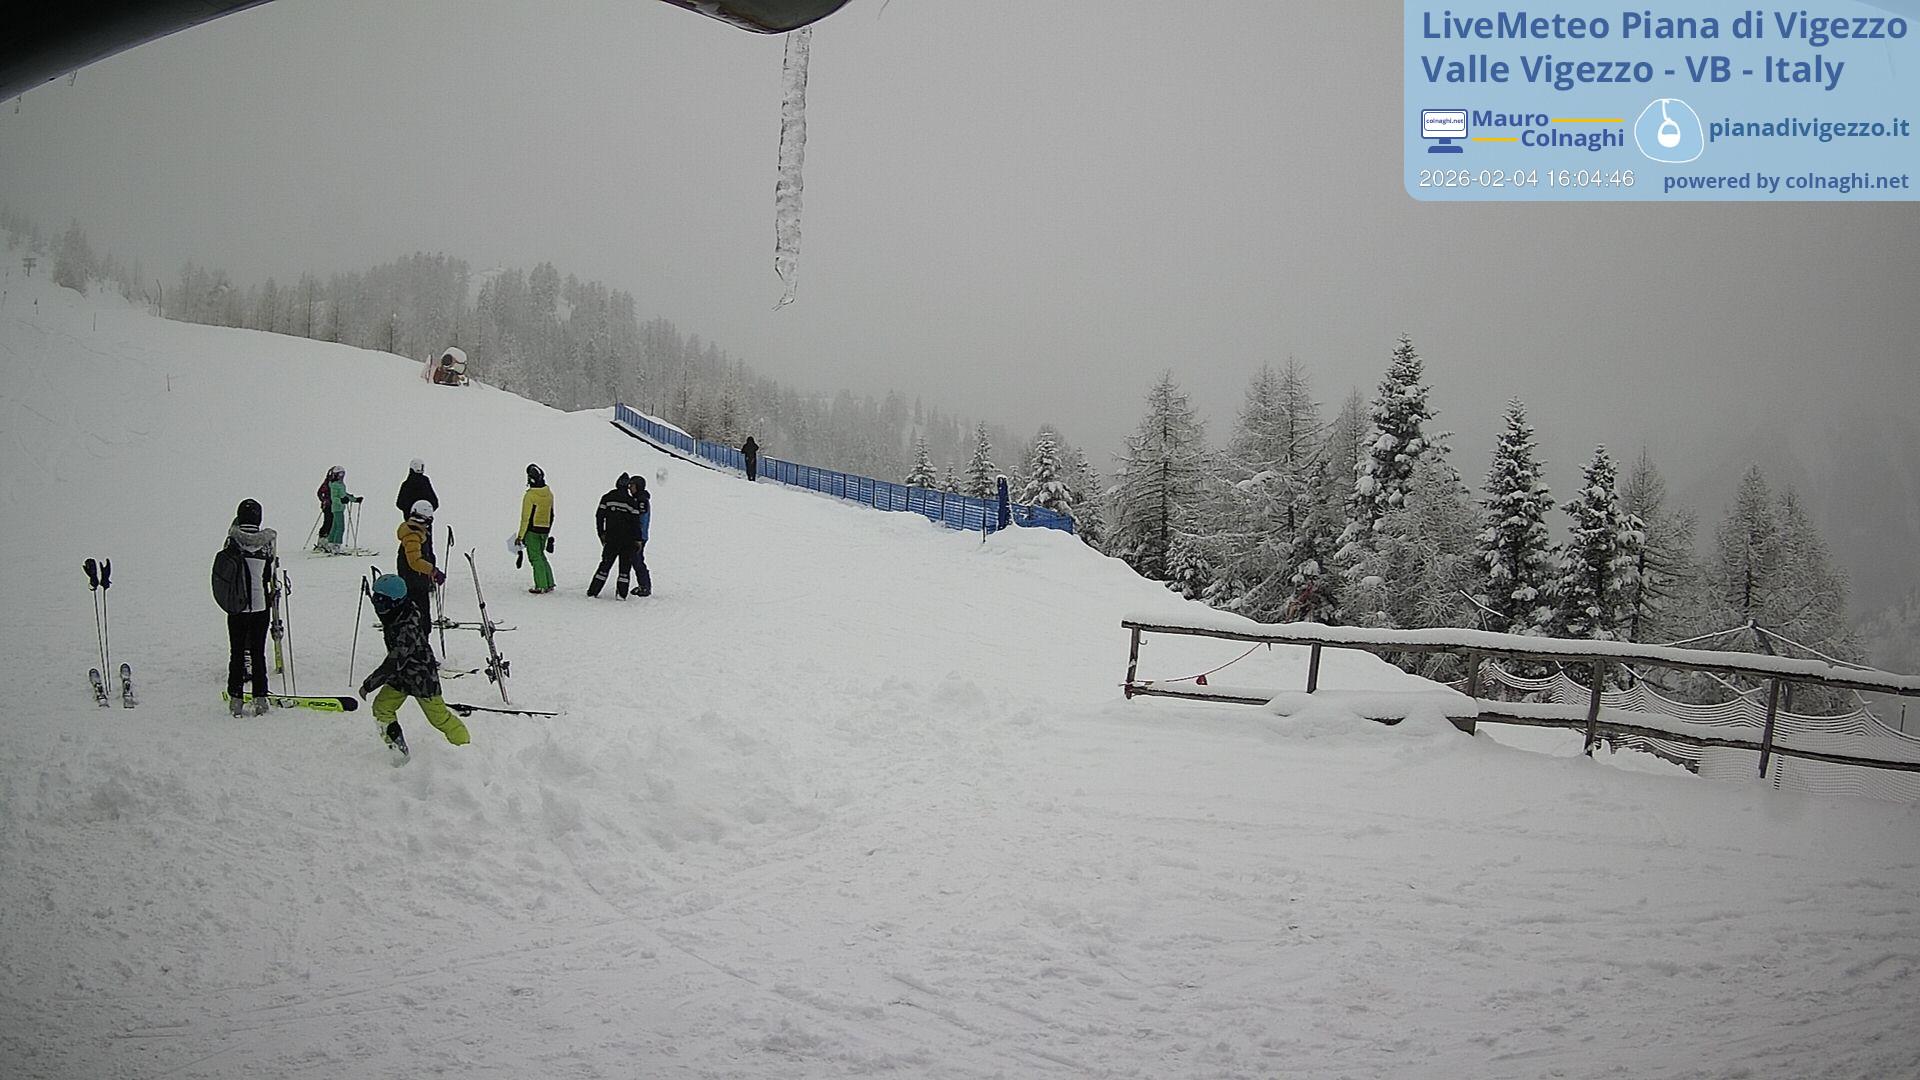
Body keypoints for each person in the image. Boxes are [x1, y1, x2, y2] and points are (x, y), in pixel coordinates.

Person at [362, 574, 470, 755]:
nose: (376, 604)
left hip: (421, 678)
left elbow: (395, 660)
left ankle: (466, 749)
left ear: (395, 602)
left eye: (381, 601)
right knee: (382, 708)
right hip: (402, 676)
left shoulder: (406, 627)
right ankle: (397, 749)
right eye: (375, 599)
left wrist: (370, 684)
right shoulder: (396, 612)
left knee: (439, 718)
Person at [224, 498, 277, 716]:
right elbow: (268, 574)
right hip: (260, 605)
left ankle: (236, 699)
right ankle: (260, 698)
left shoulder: (232, 540)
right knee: (258, 652)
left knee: (237, 652)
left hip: (236, 605)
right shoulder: (267, 542)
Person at [588, 472, 649, 599]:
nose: (630, 488)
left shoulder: (608, 498)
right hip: (629, 540)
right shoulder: (631, 501)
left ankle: (593, 591)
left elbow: (599, 516)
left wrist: (601, 533)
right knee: (625, 568)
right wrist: (637, 538)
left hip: (612, 538)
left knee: (605, 565)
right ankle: (622, 593)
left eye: (633, 485)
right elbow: (635, 522)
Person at [397, 499, 445, 638]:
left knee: (421, 619)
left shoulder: (416, 531)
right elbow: (415, 561)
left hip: (416, 581)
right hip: (414, 583)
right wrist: (433, 571)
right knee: (421, 619)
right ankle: (419, 646)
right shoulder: (413, 535)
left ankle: (421, 644)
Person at [520, 463, 555, 594]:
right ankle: (549, 582)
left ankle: (541, 585)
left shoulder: (530, 495)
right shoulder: (549, 494)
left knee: (535, 558)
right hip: (545, 529)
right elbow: (552, 514)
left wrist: (520, 536)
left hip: (532, 530)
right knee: (541, 556)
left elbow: (525, 517)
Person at [316, 465, 363, 554]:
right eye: (340, 474)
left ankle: (330, 542)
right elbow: (333, 497)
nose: (341, 476)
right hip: (332, 507)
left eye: (343, 474)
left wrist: (354, 499)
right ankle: (332, 543)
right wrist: (339, 500)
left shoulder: (339, 484)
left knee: (334, 525)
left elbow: (343, 494)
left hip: (338, 507)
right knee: (335, 525)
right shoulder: (332, 484)